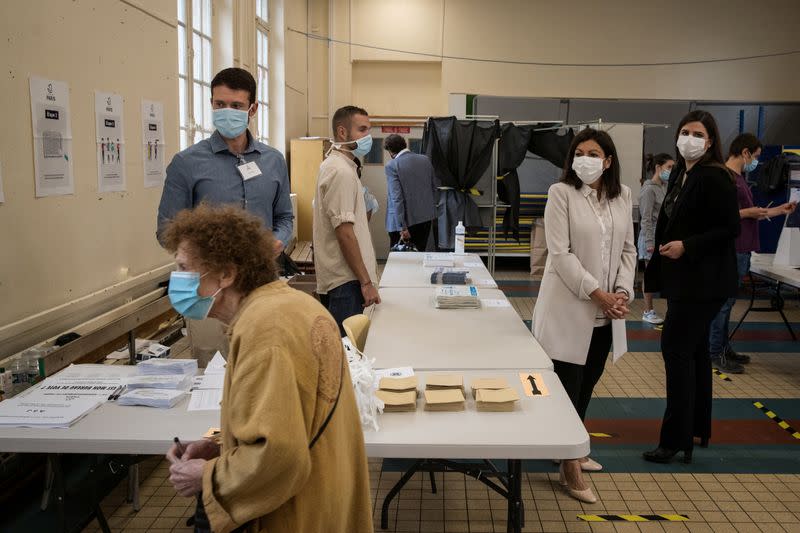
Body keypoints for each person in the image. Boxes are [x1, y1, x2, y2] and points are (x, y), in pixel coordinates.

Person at [162, 204, 373, 533]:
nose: (177, 281)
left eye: (185, 269)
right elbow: (292, 419)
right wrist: (223, 446)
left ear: (227, 274)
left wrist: (207, 476)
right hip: (328, 489)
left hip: (295, 512)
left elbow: (278, 455)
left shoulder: (264, 330)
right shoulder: (292, 304)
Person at [531, 128, 636, 503]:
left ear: (608, 161)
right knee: (567, 387)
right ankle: (569, 465)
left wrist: (621, 292)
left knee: (588, 383)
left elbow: (628, 250)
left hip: (607, 313)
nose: (585, 159)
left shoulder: (622, 196)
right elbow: (560, 255)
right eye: (580, 152)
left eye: (594, 154)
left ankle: (572, 447)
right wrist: (599, 294)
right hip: (569, 309)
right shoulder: (561, 194)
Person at [643, 110, 740, 463]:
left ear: (710, 140)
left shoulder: (715, 177)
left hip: (704, 282)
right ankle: (697, 430)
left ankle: (673, 440)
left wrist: (688, 245)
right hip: (688, 280)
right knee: (696, 353)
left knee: (676, 350)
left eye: (697, 133)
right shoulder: (683, 174)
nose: (689, 138)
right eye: (684, 131)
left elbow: (730, 228)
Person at [156, 67, 293, 253]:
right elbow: (166, 230)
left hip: (262, 274)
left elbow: (284, 217)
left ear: (252, 109)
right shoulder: (186, 163)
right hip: (209, 276)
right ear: (211, 103)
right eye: (220, 104)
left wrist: (278, 240)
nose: (227, 112)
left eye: (236, 106)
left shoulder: (274, 161)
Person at [707, 133, 796, 374]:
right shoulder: (725, 177)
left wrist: (779, 210)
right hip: (732, 248)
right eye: (755, 156)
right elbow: (721, 215)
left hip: (742, 247)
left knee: (729, 302)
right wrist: (748, 213)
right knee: (724, 304)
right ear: (745, 152)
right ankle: (715, 352)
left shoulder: (739, 178)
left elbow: (751, 212)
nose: (756, 161)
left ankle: (723, 348)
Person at [313, 106, 380, 334]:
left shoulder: (341, 166)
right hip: (347, 283)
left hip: (348, 282)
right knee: (348, 355)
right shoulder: (340, 171)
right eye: (362, 129)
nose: (367, 136)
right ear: (342, 132)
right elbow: (344, 232)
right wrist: (366, 282)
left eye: (369, 130)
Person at [383, 134, 438, 252]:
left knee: (400, 263)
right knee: (419, 257)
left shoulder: (392, 165)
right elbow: (434, 188)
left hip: (402, 224)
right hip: (425, 220)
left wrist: (402, 227)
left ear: (390, 151)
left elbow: (397, 198)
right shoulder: (425, 160)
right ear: (404, 145)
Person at [638, 153, 674, 325]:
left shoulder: (665, 187)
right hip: (650, 237)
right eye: (669, 167)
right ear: (658, 167)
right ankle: (647, 310)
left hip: (663, 238)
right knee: (649, 274)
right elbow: (645, 218)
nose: (671, 171)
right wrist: (649, 243)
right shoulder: (649, 189)